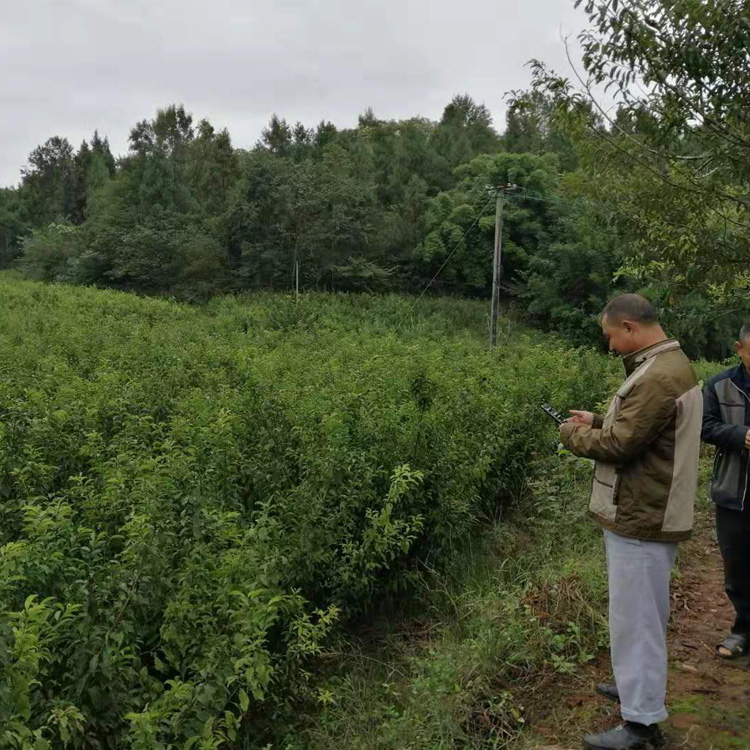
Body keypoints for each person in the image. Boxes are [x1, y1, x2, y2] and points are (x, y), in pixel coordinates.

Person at [559, 294, 703, 750]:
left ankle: (641, 724)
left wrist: (573, 434)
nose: (610, 346)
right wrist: (600, 420)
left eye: (610, 337)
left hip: (644, 513)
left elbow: (622, 446)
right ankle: (633, 686)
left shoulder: (658, 376)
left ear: (628, 327)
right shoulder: (669, 365)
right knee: (638, 613)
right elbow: (645, 430)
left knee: (638, 618)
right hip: (647, 508)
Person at [701, 323, 750, 659]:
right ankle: (743, 631)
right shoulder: (720, 384)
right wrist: (740, 435)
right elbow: (705, 426)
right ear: (739, 347)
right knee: (738, 565)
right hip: (734, 491)